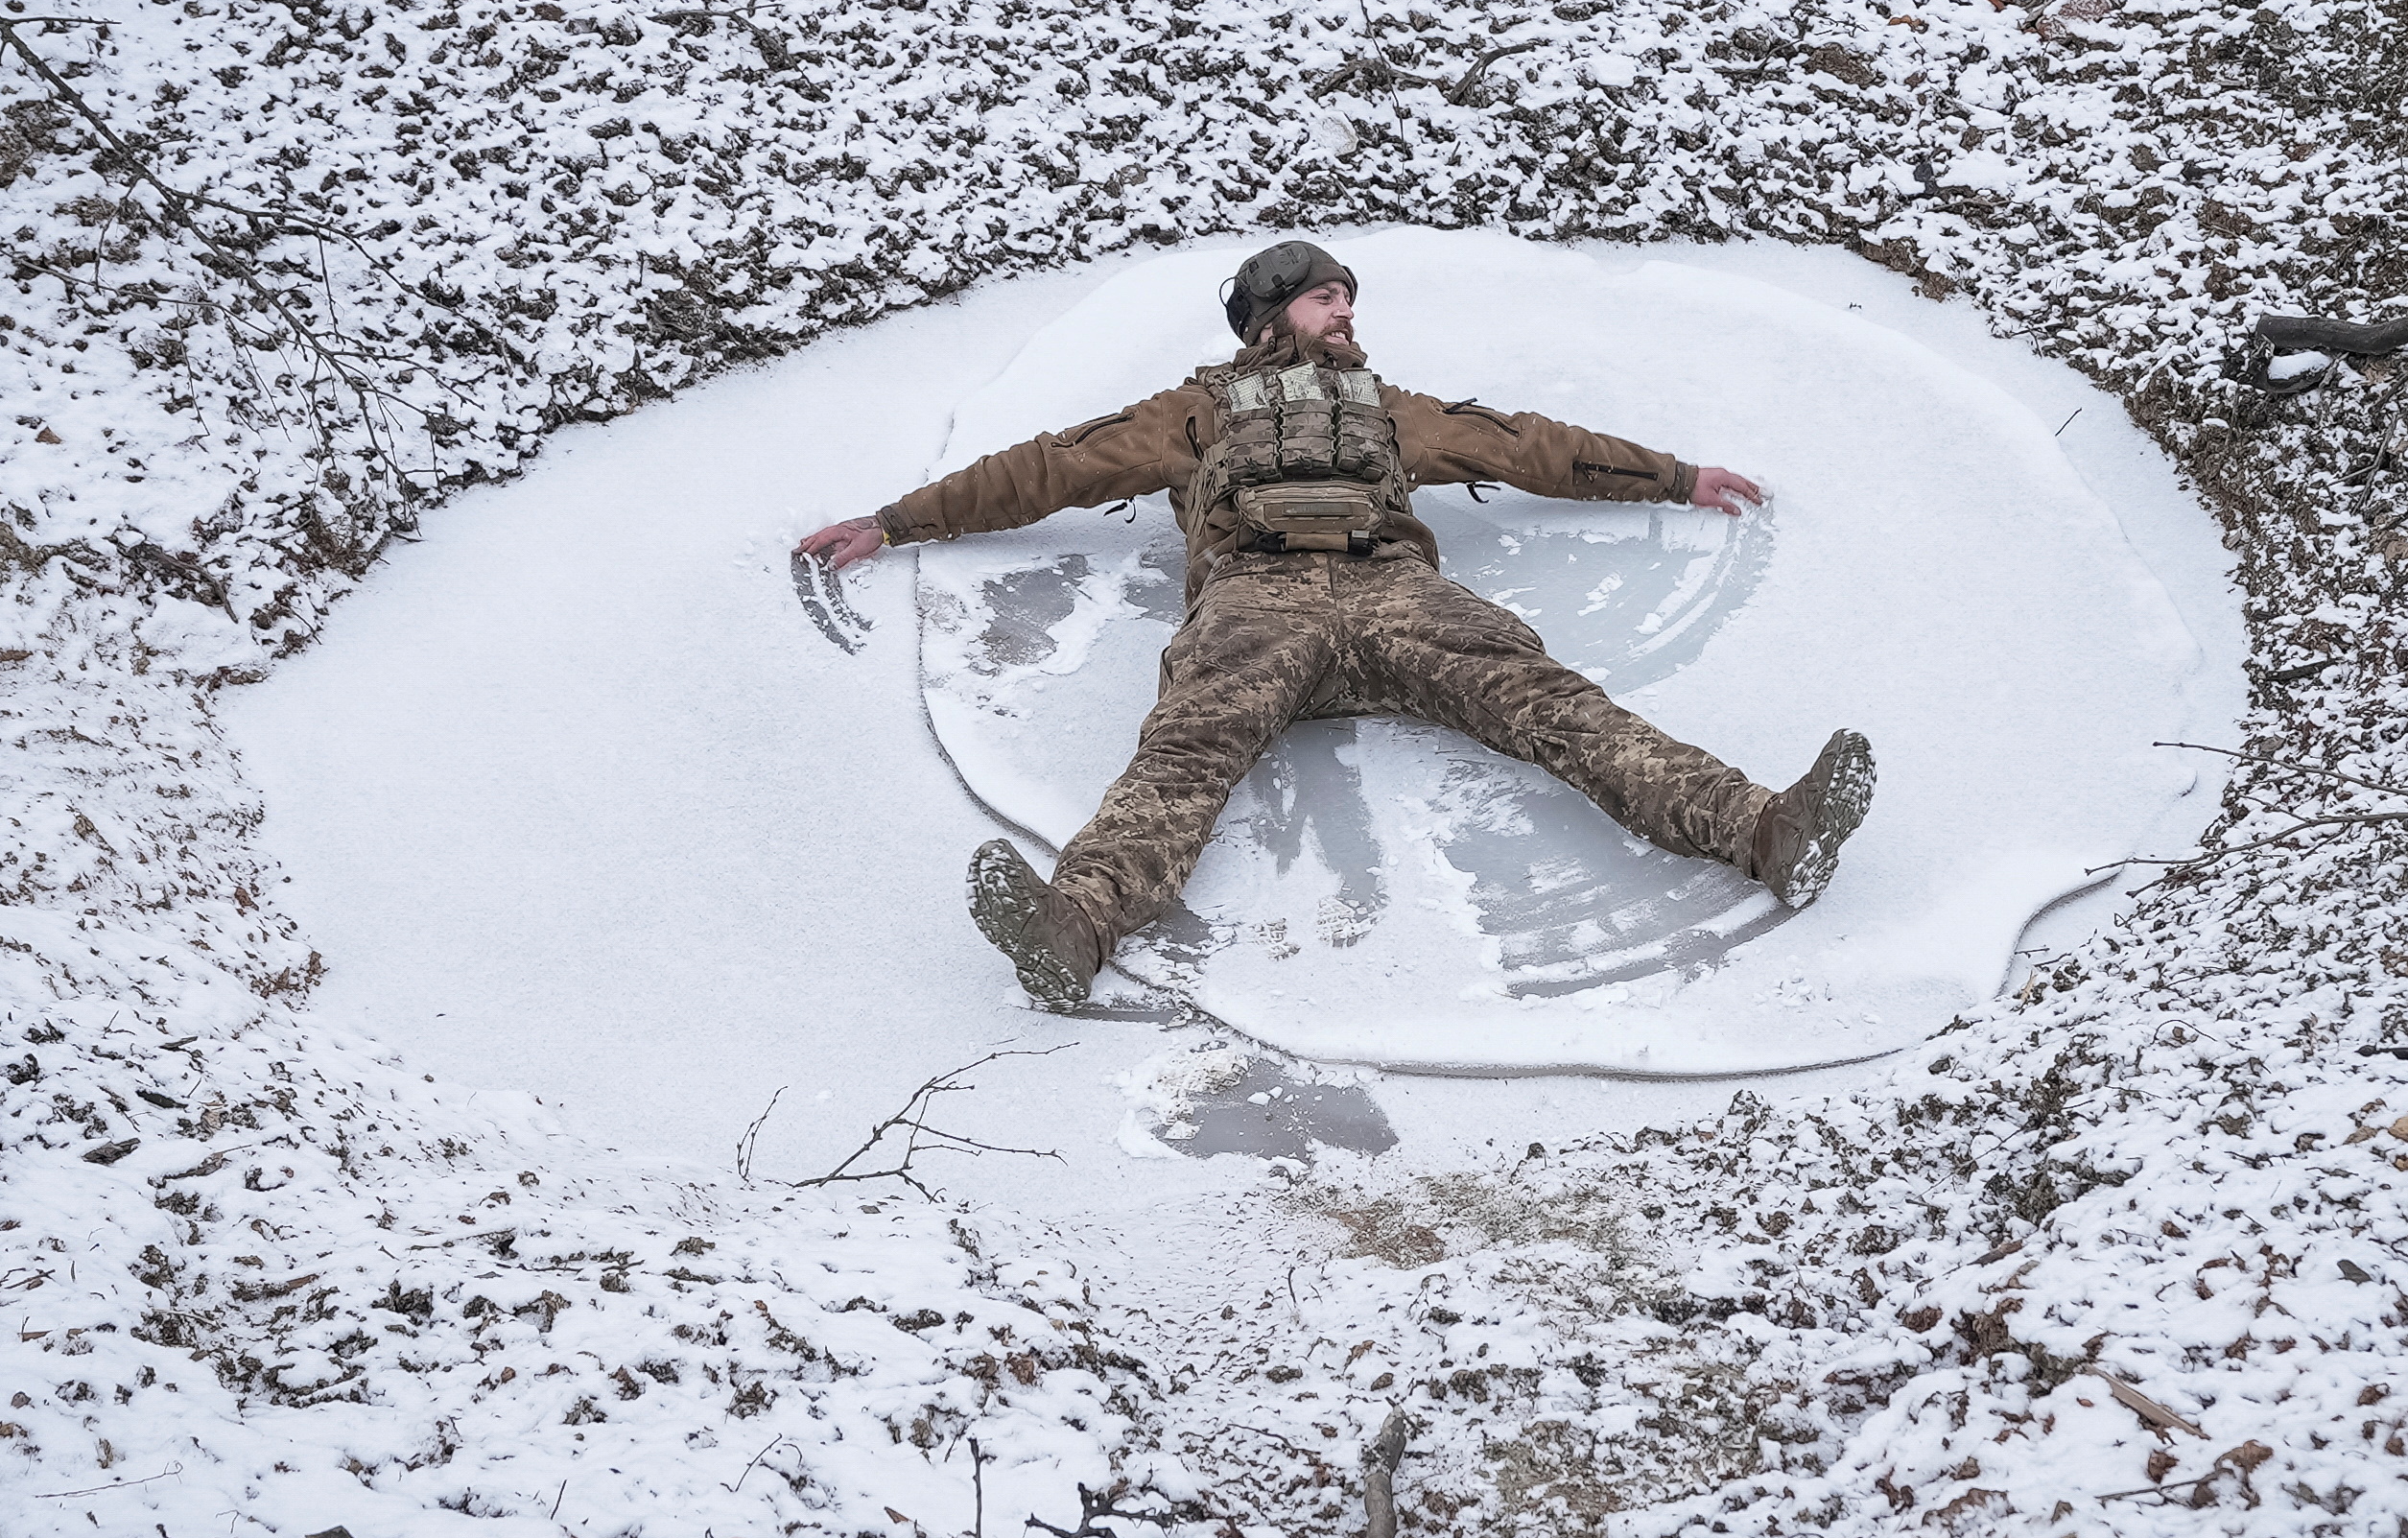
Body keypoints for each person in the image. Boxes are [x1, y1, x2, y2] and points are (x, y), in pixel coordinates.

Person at [796, 240, 1876, 1007]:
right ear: (1271, 317)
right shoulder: (1194, 411)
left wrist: (1674, 477)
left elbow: (1522, 445)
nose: (1346, 310)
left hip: (1394, 594)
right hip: (1254, 604)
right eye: (1323, 298)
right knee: (1183, 758)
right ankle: (1072, 931)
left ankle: (1767, 834)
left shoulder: (1390, 411)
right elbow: (1047, 469)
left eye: (1348, 296)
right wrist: (893, 522)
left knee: (1558, 710)